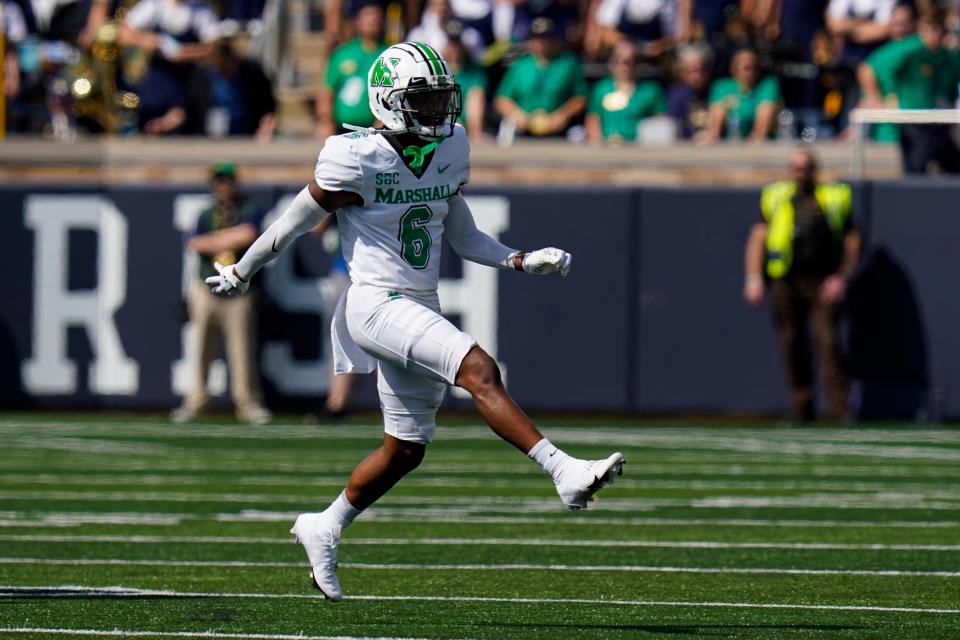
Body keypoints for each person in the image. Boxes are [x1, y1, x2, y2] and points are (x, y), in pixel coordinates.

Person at [204, 41, 624, 600]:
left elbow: (465, 235)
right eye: (422, 101)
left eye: (438, 100)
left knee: (406, 448)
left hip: (418, 303)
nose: (436, 112)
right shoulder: (354, 156)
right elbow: (295, 220)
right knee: (479, 369)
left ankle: (324, 525)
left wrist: (519, 259)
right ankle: (562, 471)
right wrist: (244, 269)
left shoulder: (449, 144)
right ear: (388, 101)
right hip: (375, 303)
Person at [743, 149, 860, 422]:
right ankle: (801, 403)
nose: (801, 173)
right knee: (791, 342)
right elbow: (758, 237)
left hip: (822, 280)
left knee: (828, 342)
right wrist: (753, 277)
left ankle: (839, 408)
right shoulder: (776, 197)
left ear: (814, 169)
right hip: (786, 280)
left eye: (805, 167)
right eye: (796, 168)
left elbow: (852, 239)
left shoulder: (834, 197)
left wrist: (842, 275)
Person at [172, 163, 272, 425]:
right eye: (218, 182)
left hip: (240, 289)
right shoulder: (207, 212)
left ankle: (247, 403)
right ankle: (196, 400)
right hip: (207, 288)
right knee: (202, 348)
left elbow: (248, 236)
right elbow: (196, 243)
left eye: (226, 181)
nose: (222, 187)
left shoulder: (249, 208)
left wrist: (217, 239)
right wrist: (229, 237)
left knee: (241, 349)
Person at [858, 9, 960, 174]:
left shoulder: (948, 55)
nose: (933, 35)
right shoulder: (910, 48)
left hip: (939, 119)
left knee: (952, 162)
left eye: (937, 29)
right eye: (928, 29)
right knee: (917, 163)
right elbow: (868, 69)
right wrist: (880, 99)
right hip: (913, 119)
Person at [116, 0, 222, 135]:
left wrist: (186, 53)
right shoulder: (154, 6)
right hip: (157, 85)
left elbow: (215, 47)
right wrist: (149, 41)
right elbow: (122, 35)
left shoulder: (201, 10)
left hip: (188, 88)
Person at [494, 17, 587, 138]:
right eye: (537, 38)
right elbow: (502, 99)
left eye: (546, 38)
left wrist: (563, 115)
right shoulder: (520, 65)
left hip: (559, 131)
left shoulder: (568, 63)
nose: (542, 42)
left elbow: (581, 97)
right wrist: (516, 115)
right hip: (523, 130)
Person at [315, 2, 385, 140]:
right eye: (367, 15)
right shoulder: (342, 53)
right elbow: (327, 91)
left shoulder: (389, 55)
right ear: (357, 21)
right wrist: (325, 121)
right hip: (341, 129)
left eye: (376, 15)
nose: (372, 19)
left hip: (376, 131)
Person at [186, 38, 277, 140]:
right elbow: (190, 107)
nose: (225, 72)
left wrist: (266, 125)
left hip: (245, 135)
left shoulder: (253, 73)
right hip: (211, 136)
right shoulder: (202, 77)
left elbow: (268, 106)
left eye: (227, 67)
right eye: (220, 68)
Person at [586, 40, 668, 143]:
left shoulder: (651, 89)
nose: (623, 66)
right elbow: (593, 122)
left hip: (641, 149)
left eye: (630, 61)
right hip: (606, 148)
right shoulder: (601, 88)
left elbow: (661, 122)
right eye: (618, 60)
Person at [703, 47, 780, 142]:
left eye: (755, 67)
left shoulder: (768, 84)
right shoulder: (721, 86)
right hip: (730, 143)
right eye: (746, 68)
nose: (751, 71)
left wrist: (755, 142)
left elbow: (763, 121)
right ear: (734, 69)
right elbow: (715, 123)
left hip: (760, 145)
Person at [667, 42, 711, 139]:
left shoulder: (714, 91)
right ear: (682, 72)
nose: (696, 76)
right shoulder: (677, 96)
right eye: (690, 71)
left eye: (699, 70)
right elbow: (675, 129)